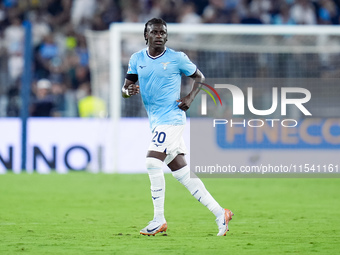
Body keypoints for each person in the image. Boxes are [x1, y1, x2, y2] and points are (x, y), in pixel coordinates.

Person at [122, 18, 233, 236]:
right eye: (154, 32)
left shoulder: (177, 58)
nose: (159, 35)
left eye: (162, 32)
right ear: (146, 35)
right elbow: (125, 88)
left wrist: (190, 97)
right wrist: (128, 92)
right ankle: (221, 213)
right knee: (182, 173)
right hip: (156, 121)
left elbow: (200, 77)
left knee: (152, 162)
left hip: (172, 118)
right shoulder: (137, 59)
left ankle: (158, 219)